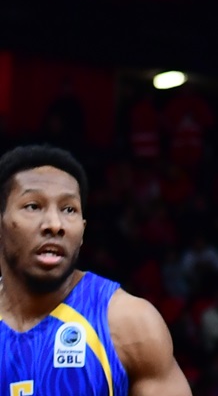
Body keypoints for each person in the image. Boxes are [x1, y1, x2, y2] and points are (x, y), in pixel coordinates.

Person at [0, 143, 190, 394]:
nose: (55, 224)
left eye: (69, 209)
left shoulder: (128, 323)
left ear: (82, 231)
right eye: (33, 206)